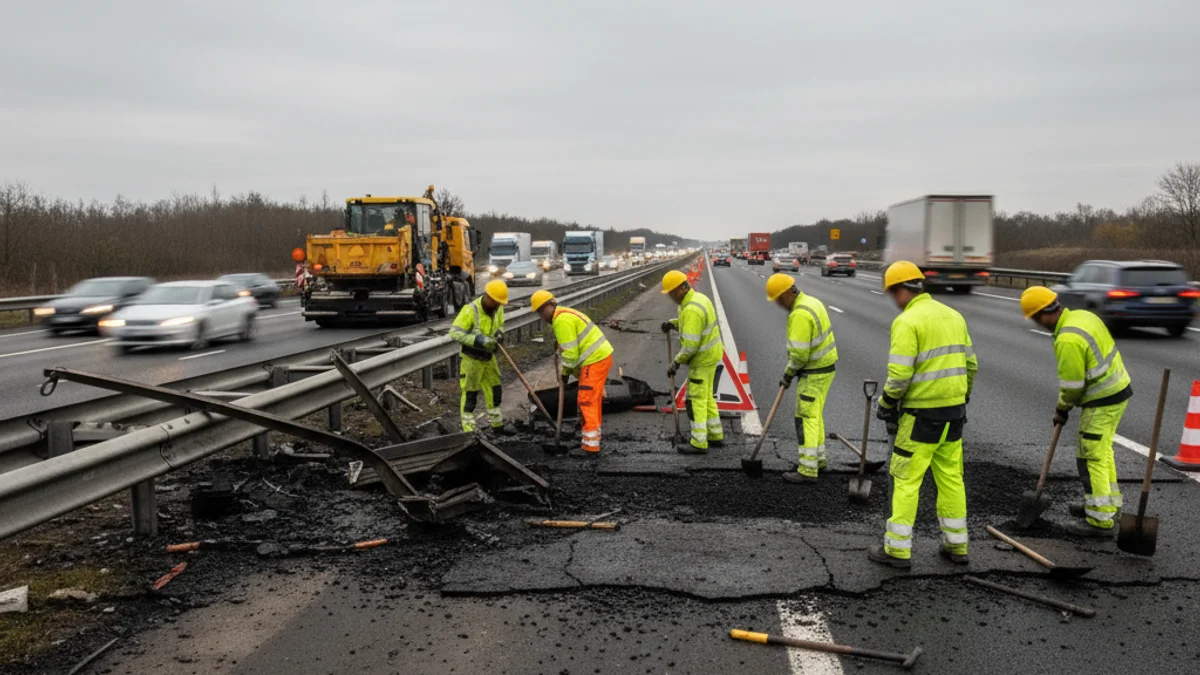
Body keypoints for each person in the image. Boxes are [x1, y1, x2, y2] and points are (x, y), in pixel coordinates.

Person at [869, 262, 978, 569]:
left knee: (906, 479)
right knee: (951, 479)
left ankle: (897, 550)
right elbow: (971, 366)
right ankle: (957, 546)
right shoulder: (954, 316)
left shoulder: (907, 322)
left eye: (892, 293)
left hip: (920, 418)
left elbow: (900, 375)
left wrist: (887, 403)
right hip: (954, 414)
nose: (893, 299)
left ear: (901, 290)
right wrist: (961, 397)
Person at [1020, 286, 1132, 537]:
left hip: (1102, 398)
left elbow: (1072, 387)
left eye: (1036, 319)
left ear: (1043, 314)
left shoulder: (1068, 338)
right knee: (1100, 452)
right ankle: (1105, 503)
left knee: (1091, 456)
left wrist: (1062, 409)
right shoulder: (1083, 316)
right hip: (1117, 389)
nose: (1039, 324)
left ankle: (1100, 520)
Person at [764, 273, 838, 483]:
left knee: (806, 418)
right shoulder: (812, 302)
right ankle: (818, 460)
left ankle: (807, 469)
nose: (778, 303)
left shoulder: (800, 314)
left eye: (779, 298)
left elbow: (799, 355)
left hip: (813, 372)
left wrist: (788, 373)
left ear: (788, 292)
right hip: (824, 368)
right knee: (814, 415)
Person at [531, 290, 614, 453]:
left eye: (542, 311)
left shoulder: (561, 320)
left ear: (550, 305)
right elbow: (571, 346)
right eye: (539, 313)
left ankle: (590, 447)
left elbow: (571, 354)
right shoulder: (564, 315)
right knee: (591, 400)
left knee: (587, 400)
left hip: (594, 360)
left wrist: (565, 373)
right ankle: (588, 438)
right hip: (599, 358)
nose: (542, 316)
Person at [660, 270, 724, 454]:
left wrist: (675, 364)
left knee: (695, 399)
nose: (671, 297)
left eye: (672, 292)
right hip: (712, 356)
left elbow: (690, 347)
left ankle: (699, 442)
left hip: (702, 360)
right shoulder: (697, 299)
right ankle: (715, 434)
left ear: (682, 288)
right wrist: (673, 323)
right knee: (707, 397)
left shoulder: (692, 309)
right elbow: (688, 323)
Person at [448, 280, 514, 435]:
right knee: (470, 394)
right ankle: (469, 431)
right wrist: (479, 340)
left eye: (500, 303)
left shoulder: (498, 309)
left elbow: (499, 326)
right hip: (471, 358)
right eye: (496, 302)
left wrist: (499, 335)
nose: (498, 305)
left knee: (494, 389)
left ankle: (497, 425)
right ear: (488, 297)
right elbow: (454, 333)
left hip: (489, 357)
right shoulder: (470, 310)